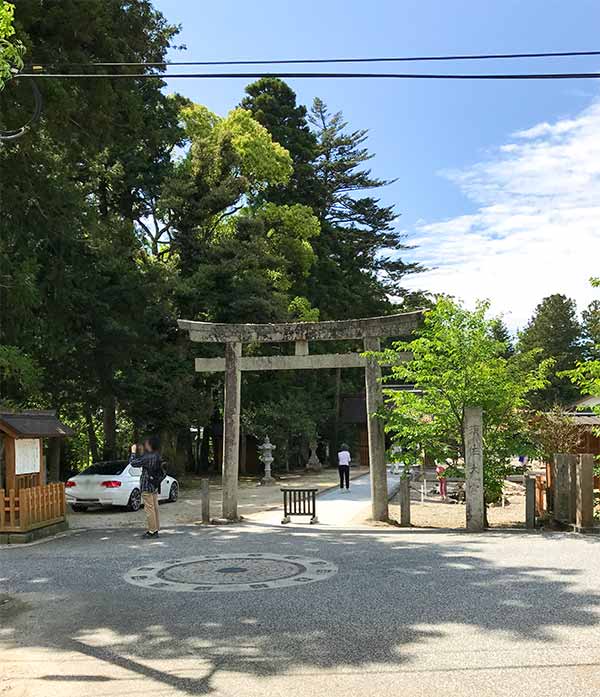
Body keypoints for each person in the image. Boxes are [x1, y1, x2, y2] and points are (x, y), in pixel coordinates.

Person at [129, 435, 164, 538]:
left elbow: (133, 463)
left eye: (147, 443)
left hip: (146, 485)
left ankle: (152, 531)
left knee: (149, 509)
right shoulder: (157, 455)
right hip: (154, 485)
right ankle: (156, 529)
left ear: (151, 445)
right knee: (155, 508)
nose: (146, 445)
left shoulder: (148, 457)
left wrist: (133, 451)